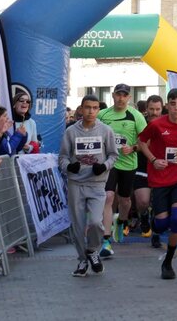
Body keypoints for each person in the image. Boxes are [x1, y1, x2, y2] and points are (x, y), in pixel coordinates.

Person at [137, 88, 177, 279]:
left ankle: (168, 262)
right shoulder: (157, 124)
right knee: (162, 225)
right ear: (166, 105)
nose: (176, 108)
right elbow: (142, 141)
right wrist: (153, 160)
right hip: (160, 178)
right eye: (173, 103)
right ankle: (155, 221)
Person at [58, 95, 118, 277]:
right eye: (87, 107)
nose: (91, 111)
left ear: (98, 110)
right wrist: (69, 166)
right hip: (76, 183)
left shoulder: (106, 131)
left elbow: (113, 156)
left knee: (95, 222)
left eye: (94, 108)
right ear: (81, 109)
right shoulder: (71, 131)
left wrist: (104, 166)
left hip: (97, 184)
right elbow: (62, 157)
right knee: (77, 225)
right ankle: (82, 260)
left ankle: (92, 250)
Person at [98, 83, 147, 258]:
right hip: (110, 163)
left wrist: (133, 148)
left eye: (124, 95)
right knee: (109, 197)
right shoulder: (103, 115)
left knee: (124, 199)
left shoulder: (136, 116)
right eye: (118, 94)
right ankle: (106, 240)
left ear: (129, 98)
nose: (121, 98)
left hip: (128, 164)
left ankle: (122, 220)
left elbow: (145, 143)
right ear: (112, 95)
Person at [135, 94, 165, 243]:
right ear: (146, 109)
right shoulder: (140, 123)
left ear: (162, 108)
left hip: (162, 168)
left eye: (157, 109)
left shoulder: (167, 123)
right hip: (142, 167)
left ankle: (156, 233)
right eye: (151, 109)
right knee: (143, 202)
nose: (154, 112)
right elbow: (136, 142)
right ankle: (143, 216)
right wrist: (139, 146)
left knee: (159, 204)